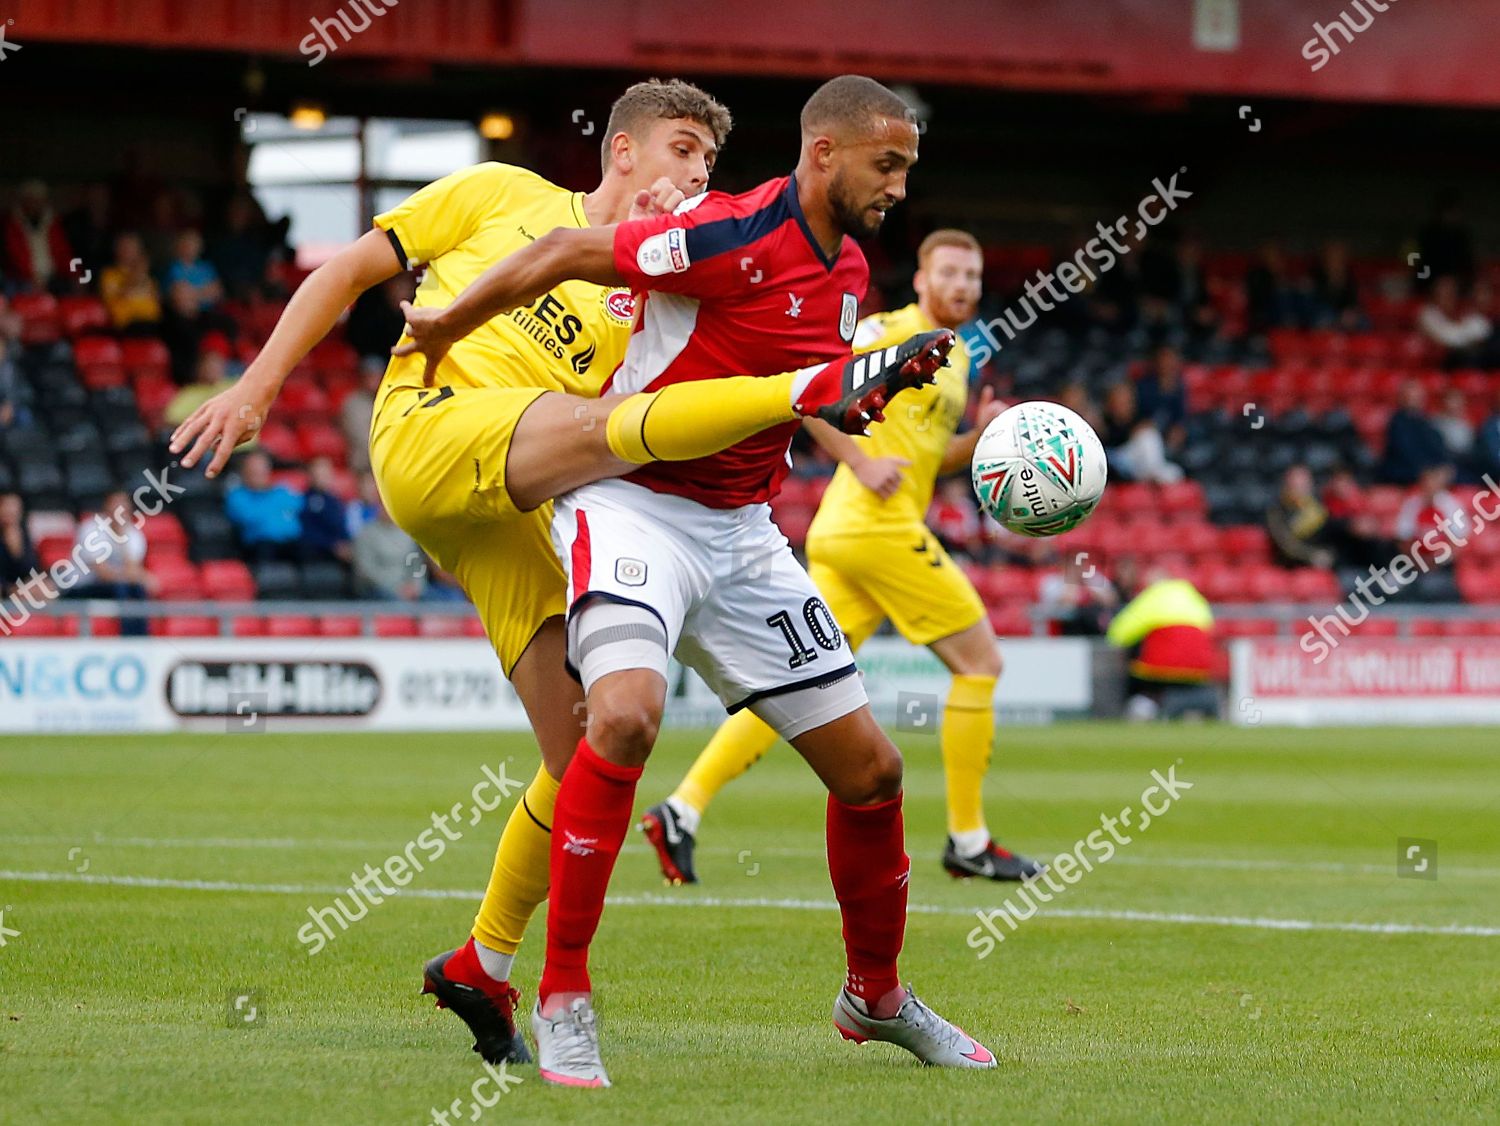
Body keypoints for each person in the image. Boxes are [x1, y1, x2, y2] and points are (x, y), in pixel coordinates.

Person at [168, 77, 941, 1072]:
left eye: (708, 162)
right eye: (679, 150)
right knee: (616, 437)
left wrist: (834, 410)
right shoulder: (499, 194)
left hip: (514, 497)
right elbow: (356, 268)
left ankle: (481, 961)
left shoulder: (652, 291)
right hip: (434, 432)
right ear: (621, 152)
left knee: (584, 746)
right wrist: (258, 383)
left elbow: (721, 367)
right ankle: (555, 984)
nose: (695, 172)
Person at [404, 74, 991, 1085]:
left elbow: (785, 388)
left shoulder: (850, 270)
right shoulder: (728, 229)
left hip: (745, 532)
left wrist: (844, 408)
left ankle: (876, 995)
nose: (898, 184)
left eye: (907, 167)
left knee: (876, 774)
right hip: (634, 504)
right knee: (623, 717)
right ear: (824, 154)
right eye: (885, 164)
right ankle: (564, 995)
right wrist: (448, 324)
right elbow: (562, 250)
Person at [639, 228, 1043, 891]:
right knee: (981, 663)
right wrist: (859, 459)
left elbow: (926, 461)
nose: (963, 285)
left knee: (796, 689)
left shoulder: (961, 358)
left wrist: (982, 438)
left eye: (972, 275)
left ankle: (681, 809)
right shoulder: (887, 330)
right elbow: (807, 392)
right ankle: (968, 839)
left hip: (853, 537)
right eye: (948, 272)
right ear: (920, 280)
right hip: (873, 530)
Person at [1106, 567, 1220, 721]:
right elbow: (1209, 625)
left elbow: (1118, 633)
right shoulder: (1192, 595)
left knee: (1133, 670)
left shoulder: (1153, 596)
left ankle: (1140, 707)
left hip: (1161, 667)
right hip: (1200, 667)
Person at [68, 489, 157, 635]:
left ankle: (141, 640)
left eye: (123, 506)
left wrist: (121, 536)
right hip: (80, 587)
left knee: (138, 590)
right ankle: (126, 639)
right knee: (123, 588)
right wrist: (141, 576)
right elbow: (103, 573)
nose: (120, 510)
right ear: (106, 507)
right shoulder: (90, 530)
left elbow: (133, 569)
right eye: (116, 505)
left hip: (113, 587)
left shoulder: (133, 534)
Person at [224, 450, 304, 564]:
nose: (259, 474)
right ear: (244, 473)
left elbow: (302, 509)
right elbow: (251, 519)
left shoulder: (282, 491)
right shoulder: (237, 496)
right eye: (254, 471)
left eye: (262, 470)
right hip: (260, 546)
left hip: (292, 543)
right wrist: (281, 514)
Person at [1101, 381, 1182, 484]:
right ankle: (1153, 476)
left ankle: (1154, 475)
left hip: (1142, 465)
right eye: (1119, 401)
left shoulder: (1139, 418)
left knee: (1175, 472)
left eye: (1127, 401)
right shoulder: (1103, 422)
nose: (1124, 405)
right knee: (1146, 437)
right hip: (1117, 464)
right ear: (1110, 403)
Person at [2, 180, 73, 291]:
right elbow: (15, 257)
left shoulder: (53, 224)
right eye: (30, 200)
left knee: (72, 285)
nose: (34, 205)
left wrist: (76, 274)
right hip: (22, 279)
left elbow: (65, 255)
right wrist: (33, 278)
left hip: (53, 277)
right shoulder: (13, 225)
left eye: (38, 200)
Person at [1380, 380, 1449, 485]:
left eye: (1419, 396)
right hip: (1407, 472)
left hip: (1433, 469)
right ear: (1402, 398)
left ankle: (1484, 482)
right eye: (1412, 396)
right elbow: (1406, 453)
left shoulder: (1426, 421)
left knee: (1474, 474)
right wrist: (1431, 471)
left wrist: (1444, 466)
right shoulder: (1397, 423)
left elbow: (1438, 448)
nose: (1416, 399)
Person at [1417, 276, 1494, 370]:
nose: (1448, 296)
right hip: (1437, 364)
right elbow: (1443, 340)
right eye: (1443, 293)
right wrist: (1466, 340)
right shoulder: (1427, 314)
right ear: (1435, 294)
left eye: (1451, 293)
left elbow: (1481, 330)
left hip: (1467, 362)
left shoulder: (1466, 313)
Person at [351, 501, 423, 599]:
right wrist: (396, 588)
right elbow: (366, 571)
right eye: (384, 506)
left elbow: (416, 564)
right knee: (397, 604)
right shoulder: (366, 533)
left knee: (440, 600)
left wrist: (416, 586)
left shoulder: (407, 532)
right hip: (378, 589)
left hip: (409, 588)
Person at [99, 232, 162, 332]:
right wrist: (135, 277)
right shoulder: (109, 275)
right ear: (117, 250)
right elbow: (111, 298)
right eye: (125, 248)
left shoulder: (146, 276)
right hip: (128, 322)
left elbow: (156, 299)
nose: (129, 251)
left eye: (133, 248)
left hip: (152, 320)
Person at [163, 345, 234, 430]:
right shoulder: (189, 392)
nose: (213, 369)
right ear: (200, 367)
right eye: (209, 365)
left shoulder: (234, 387)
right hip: (201, 439)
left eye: (216, 364)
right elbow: (171, 418)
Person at [299, 455, 351, 564]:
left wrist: (345, 543)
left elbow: (342, 527)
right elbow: (307, 531)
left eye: (326, 473)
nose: (323, 477)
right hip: (318, 553)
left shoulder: (335, 500)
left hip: (342, 550)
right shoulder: (304, 500)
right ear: (311, 475)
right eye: (319, 473)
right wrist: (332, 545)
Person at [163, 229, 224, 312]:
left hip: (210, 312)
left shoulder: (207, 267)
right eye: (188, 245)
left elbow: (217, 293)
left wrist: (192, 294)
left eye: (194, 245)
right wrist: (204, 292)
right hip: (184, 314)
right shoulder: (174, 268)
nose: (191, 249)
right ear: (180, 246)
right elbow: (180, 296)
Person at [0, 492, 41, 601]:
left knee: (45, 587)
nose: (11, 511)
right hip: (4, 587)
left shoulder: (25, 535)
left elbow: (31, 569)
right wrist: (8, 589)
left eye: (15, 507)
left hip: (21, 586)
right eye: (6, 506)